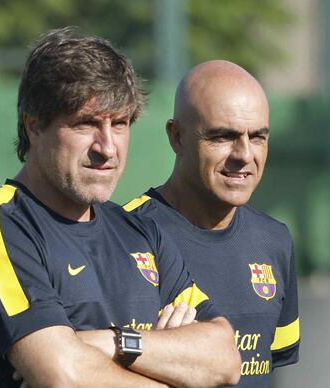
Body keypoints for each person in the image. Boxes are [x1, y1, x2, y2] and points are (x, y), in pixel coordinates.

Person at [0, 28, 241, 387]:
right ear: (35, 127)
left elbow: (225, 357)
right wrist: (171, 362)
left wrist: (113, 343)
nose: (107, 148)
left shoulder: (139, 232)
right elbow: (65, 375)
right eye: (86, 124)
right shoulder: (4, 227)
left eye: (120, 124)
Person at [124, 60, 299, 386]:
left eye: (258, 137)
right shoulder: (126, 238)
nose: (244, 155)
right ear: (177, 137)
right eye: (223, 136)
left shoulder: (274, 241)